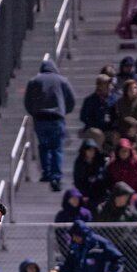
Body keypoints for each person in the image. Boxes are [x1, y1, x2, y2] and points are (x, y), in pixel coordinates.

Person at [24, 60, 76, 192]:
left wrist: (34, 112)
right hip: (56, 119)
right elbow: (72, 99)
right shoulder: (62, 80)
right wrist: (64, 110)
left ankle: (46, 173)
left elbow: (28, 101)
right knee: (57, 148)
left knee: (44, 147)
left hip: (40, 119)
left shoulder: (34, 81)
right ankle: (56, 176)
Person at [54, 220, 123, 272]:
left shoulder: (99, 242)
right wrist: (58, 268)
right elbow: (69, 265)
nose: (73, 239)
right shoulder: (75, 246)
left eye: (75, 236)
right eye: (72, 236)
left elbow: (118, 258)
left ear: (81, 234)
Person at [96, 182, 137, 272]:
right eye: (122, 196)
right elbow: (98, 228)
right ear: (115, 196)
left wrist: (128, 238)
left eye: (126, 197)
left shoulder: (130, 211)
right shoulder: (102, 208)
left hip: (125, 242)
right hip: (107, 243)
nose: (124, 200)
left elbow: (135, 229)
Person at [55, 187, 94, 258]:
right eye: (72, 198)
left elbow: (90, 230)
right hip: (67, 245)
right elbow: (60, 232)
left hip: (84, 243)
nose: (75, 200)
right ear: (67, 199)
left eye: (77, 198)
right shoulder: (61, 215)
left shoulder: (86, 213)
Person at [73, 139, 108, 212]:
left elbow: (102, 175)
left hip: (98, 191)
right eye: (89, 150)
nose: (91, 153)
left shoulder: (99, 161)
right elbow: (77, 180)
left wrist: (95, 178)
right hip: (85, 192)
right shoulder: (79, 163)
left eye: (93, 150)